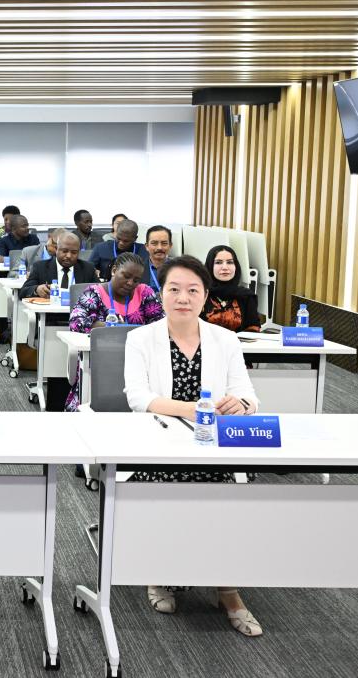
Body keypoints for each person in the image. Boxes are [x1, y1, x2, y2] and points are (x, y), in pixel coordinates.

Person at [122, 255, 261, 637]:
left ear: (205, 296)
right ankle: (160, 574)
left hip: (212, 448)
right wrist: (197, 409)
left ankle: (227, 590)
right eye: (174, 289)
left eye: (193, 290)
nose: (183, 298)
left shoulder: (225, 339)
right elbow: (139, 397)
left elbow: (248, 394)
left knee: (223, 505)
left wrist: (241, 405)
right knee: (167, 494)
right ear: (161, 294)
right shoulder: (141, 338)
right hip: (159, 447)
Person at [65, 252, 163, 410]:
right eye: (126, 276)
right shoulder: (94, 292)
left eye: (136, 280)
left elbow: (160, 323)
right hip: (101, 358)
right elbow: (76, 322)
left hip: (140, 358)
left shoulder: (145, 293)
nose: (130, 283)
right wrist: (110, 327)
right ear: (114, 270)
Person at [20, 232, 99, 411]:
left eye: (74, 252)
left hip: (80, 328)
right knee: (56, 369)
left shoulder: (87, 269)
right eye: (64, 251)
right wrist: (36, 289)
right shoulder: (41, 267)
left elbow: (99, 296)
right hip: (51, 324)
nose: (68, 256)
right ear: (56, 249)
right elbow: (24, 291)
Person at [202, 245, 261, 333]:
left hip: (239, 342)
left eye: (230, 262)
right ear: (210, 266)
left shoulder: (246, 296)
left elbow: (253, 329)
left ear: (236, 266)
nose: (225, 267)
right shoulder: (201, 294)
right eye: (218, 262)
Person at [142, 225, 173, 291]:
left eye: (164, 243)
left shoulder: (178, 269)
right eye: (154, 243)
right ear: (147, 246)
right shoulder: (138, 269)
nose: (159, 248)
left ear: (170, 246)